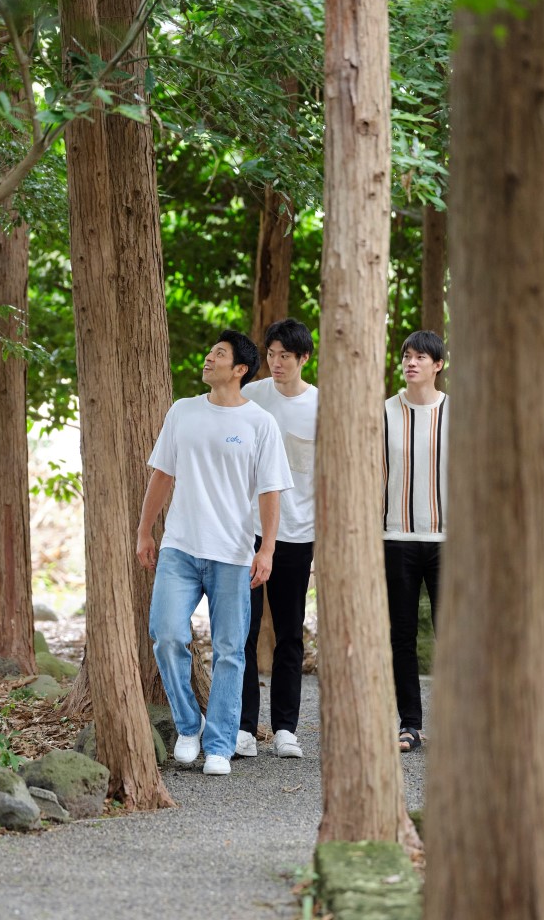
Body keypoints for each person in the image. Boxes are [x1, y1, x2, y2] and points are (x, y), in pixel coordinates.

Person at [136, 330, 293, 776]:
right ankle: (190, 725)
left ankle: (221, 744)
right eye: (210, 352)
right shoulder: (182, 412)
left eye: (218, 354)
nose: (208, 358)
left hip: (232, 553)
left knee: (230, 650)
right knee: (166, 635)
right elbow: (162, 475)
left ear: (240, 369)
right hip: (180, 548)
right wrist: (145, 531)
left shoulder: (260, 423)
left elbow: (270, 493)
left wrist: (267, 549)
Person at [234, 319, 318, 760]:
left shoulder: (320, 406)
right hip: (247, 531)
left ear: (303, 358)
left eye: (286, 355)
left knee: (289, 634)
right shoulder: (252, 396)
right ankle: (245, 726)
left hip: (298, 534)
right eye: (271, 354)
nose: (276, 362)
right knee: (243, 632)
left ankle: (286, 727)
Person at [382, 330, 448, 753]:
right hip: (395, 536)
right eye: (407, 356)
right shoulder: (384, 411)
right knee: (401, 636)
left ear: (439, 364)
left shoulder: (457, 411)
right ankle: (410, 725)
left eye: (421, 357)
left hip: (448, 539)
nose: (412, 362)